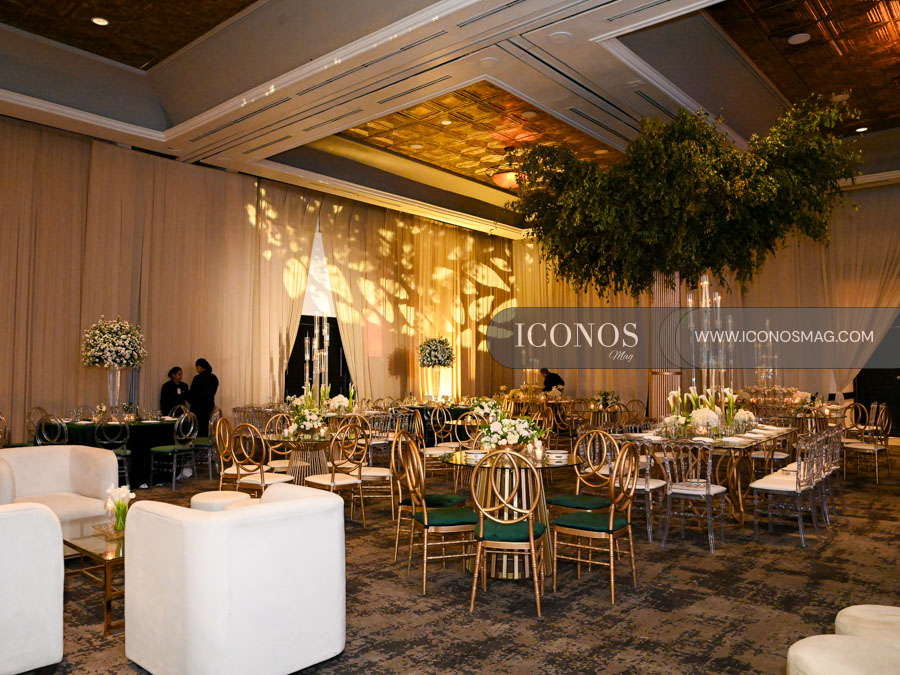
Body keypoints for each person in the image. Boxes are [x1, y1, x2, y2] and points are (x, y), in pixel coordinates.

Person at [188, 358, 219, 437]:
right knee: (207, 430)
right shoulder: (214, 378)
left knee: (197, 432)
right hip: (209, 408)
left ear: (199, 367)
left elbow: (192, 395)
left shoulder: (197, 378)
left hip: (197, 409)